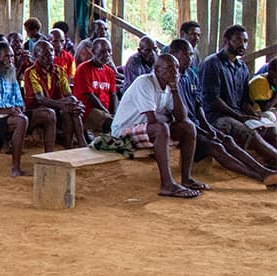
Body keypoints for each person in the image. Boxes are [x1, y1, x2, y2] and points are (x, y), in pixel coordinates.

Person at [167, 39, 277, 186]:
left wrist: (209, 129)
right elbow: (186, 113)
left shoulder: (190, 75)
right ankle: (262, 175)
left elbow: (199, 106)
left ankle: (265, 171)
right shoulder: (170, 79)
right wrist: (206, 130)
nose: (190, 58)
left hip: (199, 124)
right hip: (185, 127)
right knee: (217, 145)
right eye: (185, 55)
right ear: (173, 55)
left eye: (191, 55)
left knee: (227, 140)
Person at [110, 54, 201, 198]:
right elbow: (152, 119)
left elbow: (182, 117)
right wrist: (167, 117)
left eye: (177, 68)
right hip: (123, 132)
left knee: (188, 127)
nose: (175, 72)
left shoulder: (168, 86)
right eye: (170, 68)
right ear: (157, 69)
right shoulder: (144, 82)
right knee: (161, 128)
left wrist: (175, 89)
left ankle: (186, 178)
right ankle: (167, 184)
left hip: (147, 130)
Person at [0, 42, 56, 176]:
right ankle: (15, 168)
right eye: (6, 56)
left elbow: (20, 101)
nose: (10, 60)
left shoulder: (11, 74)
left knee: (49, 114)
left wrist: (19, 108)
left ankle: (50, 161)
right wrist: (7, 111)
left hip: (12, 114)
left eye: (11, 56)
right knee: (21, 121)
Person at [198, 25, 277, 167]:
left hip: (236, 114)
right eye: (238, 40)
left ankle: (271, 162)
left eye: (245, 41)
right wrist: (240, 117)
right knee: (248, 132)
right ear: (226, 40)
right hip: (216, 116)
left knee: (269, 128)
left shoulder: (242, 68)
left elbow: (244, 100)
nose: (243, 44)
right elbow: (212, 100)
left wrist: (252, 115)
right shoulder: (212, 63)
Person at [23, 41, 86, 148]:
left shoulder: (59, 70)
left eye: (51, 51)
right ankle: (81, 143)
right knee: (66, 108)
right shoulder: (31, 72)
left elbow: (68, 95)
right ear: (36, 56)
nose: (50, 56)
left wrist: (75, 103)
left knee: (71, 105)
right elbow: (40, 99)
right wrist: (63, 105)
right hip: (37, 108)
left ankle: (71, 145)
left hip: (55, 105)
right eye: (45, 54)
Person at [74, 38, 118, 134]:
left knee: (121, 121)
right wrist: (107, 113)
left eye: (109, 51)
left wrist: (114, 113)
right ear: (93, 52)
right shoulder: (83, 69)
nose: (106, 55)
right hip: (89, 110)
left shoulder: (109, 71)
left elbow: (113, 95)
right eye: (102, 52)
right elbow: (89, 97)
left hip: (105, 111)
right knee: (112, 124)